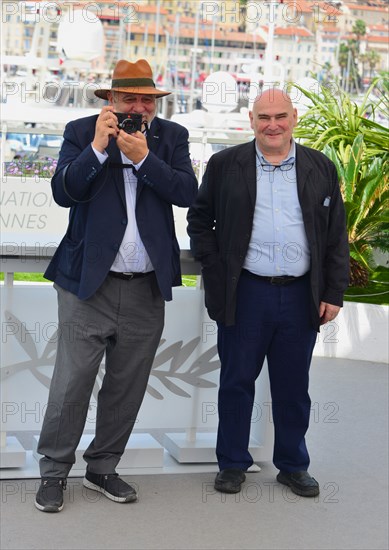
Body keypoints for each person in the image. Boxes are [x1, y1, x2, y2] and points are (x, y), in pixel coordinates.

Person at [35, 59, 198, 512]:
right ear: (111, 99)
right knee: (71, 384)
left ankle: (103, 467)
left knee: (127, 385)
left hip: (145, 286)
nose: (139, 107)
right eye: (130, 99)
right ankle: (53, 472)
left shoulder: (172, 138)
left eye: (147, 100)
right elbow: (64, 191)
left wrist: (145, 159)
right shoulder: (81, 130)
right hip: (88, 284)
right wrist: (100, 148)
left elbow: (188, 193)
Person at [186, 88, 349, 497]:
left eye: (280, 116)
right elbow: (199, 219)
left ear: (294, 117)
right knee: (237, 381)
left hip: (300, 297)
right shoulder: (226, 164)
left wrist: (334, 291)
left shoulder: (320, 167)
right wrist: (216, 269)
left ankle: (294, 465)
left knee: (293, 386)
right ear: (251, 121)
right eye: (263, 117)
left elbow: (335, 236)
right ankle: (232, 464)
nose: (272, 124)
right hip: (246, 293)